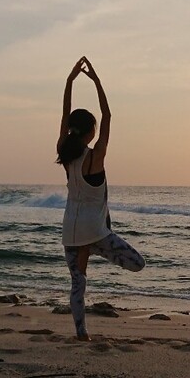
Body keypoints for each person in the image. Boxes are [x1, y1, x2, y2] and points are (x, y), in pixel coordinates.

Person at [57, 56, 145, 340]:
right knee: (138, 263)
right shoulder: (95, 157)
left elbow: (65, 114)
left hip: (70, 232)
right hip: (94, 231)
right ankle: (95, 248)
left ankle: (81, 332)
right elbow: (108, 115)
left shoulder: (65, 152)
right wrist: (96, 80)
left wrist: (70, 81)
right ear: (91, 132)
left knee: (77, 283)